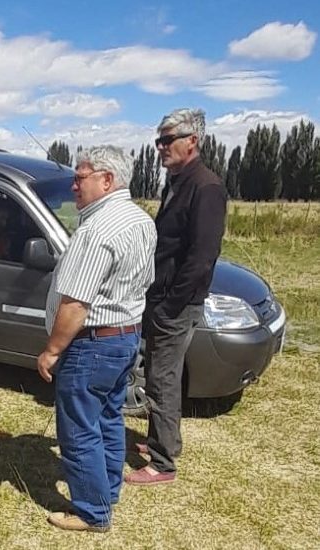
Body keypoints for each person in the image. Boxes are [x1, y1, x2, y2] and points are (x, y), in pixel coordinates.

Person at [37, 146, 156, 532]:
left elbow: (75, 303)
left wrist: (53, 350)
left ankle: (92, 511)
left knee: (78, 427)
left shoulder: (97, 229)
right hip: (124, 337)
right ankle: (108, 490)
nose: (74, 185)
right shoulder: (141, 220)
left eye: (80, 177)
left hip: (92, 342)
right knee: (107, 417)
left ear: (107, 180)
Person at [125, 109, 227, 486]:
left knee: (162, 379)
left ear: (192, 141)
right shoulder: (177, 181)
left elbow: (202, 259)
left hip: (176, 303)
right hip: (163, 297)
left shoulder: (206, 187)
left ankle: (163, 463)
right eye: (159, 141)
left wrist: (170, 305)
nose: (161, 148)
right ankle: (161, 441)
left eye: (168, 140)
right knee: (157, 372)